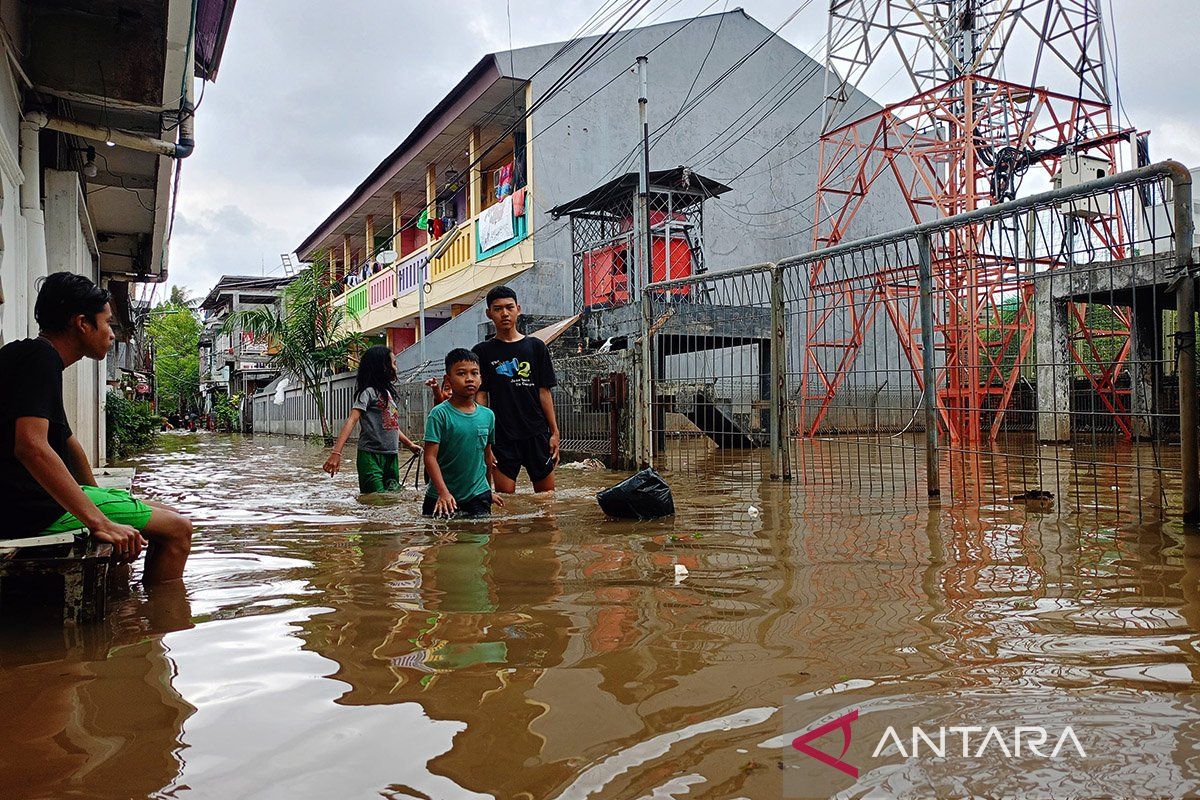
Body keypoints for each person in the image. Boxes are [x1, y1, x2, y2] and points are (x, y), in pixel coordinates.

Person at [0, 272, 193, 583]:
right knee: (179, 529)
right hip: (25, 511)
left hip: (22, 503)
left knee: (164, 511)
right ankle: (159, 610)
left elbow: (68, 441)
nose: (111, 334)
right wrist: (99, 522)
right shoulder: (41, 360)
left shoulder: (29, 356)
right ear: (82, 323)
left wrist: (94, 495)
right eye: (107, 323)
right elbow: (32, 448)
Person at [472, 285, 560, 494]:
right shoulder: (482, 351)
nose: (504, 313)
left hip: (536, 433)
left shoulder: (536, 347)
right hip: (501, 436)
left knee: (546, 500)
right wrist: (484, 439)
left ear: (518, 309)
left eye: (509, 307)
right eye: (498, 309)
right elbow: (481, 396)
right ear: (489, 313)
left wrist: (555, 432)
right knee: (506, 502)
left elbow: (544, 392)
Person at [323, 344, 422, 493]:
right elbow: (352, 420)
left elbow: (392, 425)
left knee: (392, 499)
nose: (396, 368)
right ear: (383, 367)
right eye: (394, 363)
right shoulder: (367, 393)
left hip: (391, 455)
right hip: (370, 456)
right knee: (374, 498)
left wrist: (410, 445)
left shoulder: (388, 394)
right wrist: (336, 453)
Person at [422, 348, 503, 518]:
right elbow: (429, 457)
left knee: (483, 533)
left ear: (481, 378)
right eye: (461, 374)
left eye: (474, 373)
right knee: (436, 533)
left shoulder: (488, 415)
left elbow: (487, 456)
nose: (469, 379)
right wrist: (443, 492)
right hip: (440, 496)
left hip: (477, 494)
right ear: (448, 380)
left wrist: (488, 491)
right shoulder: (439, 414)